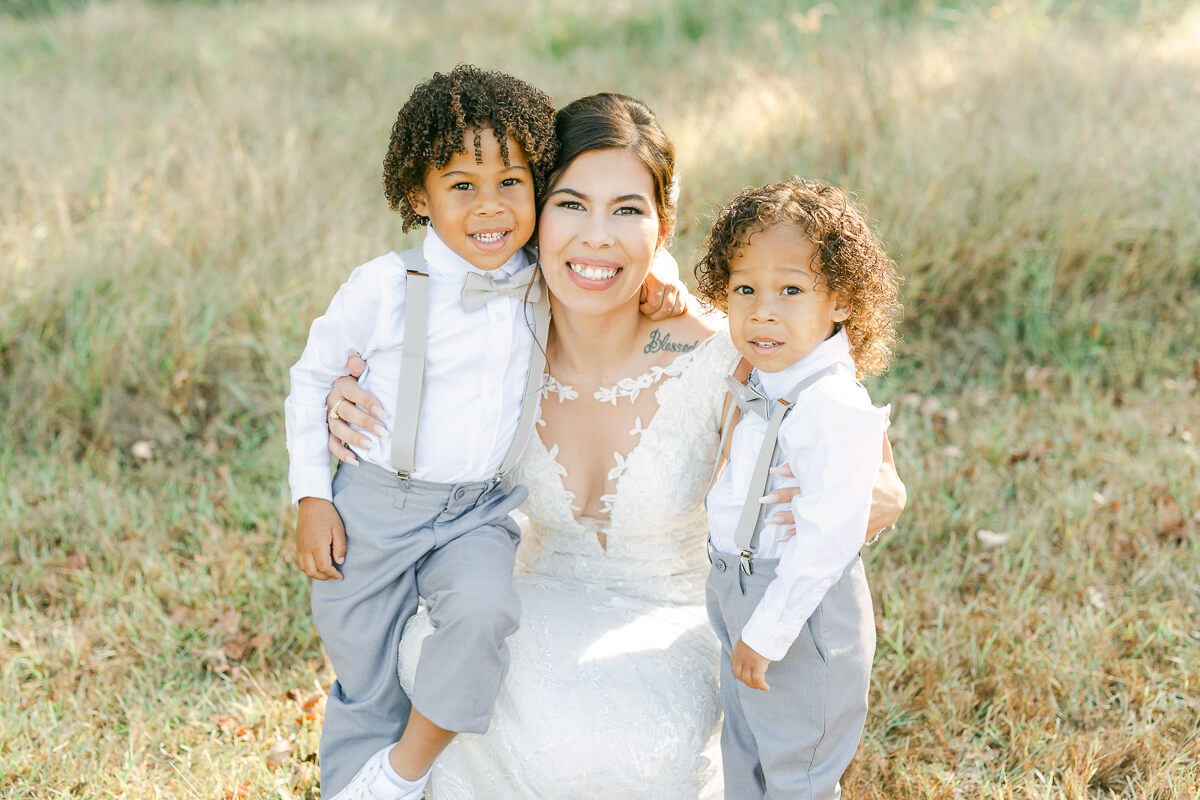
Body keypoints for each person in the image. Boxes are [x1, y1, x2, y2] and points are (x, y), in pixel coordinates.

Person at [324, 94, 907, 798]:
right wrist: (345, 397)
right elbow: (386, 364)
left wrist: (883, 492)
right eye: (571, 204)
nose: (597, 237)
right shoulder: (488, 336)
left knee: (620, 738)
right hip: (528, 599)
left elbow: (840, 420)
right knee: (439, 656)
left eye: (627, 210)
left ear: (663, 225)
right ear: (535, 214)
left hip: (668, 619)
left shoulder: (725, 350)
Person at [697, 177, 901, 799]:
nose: (763, 310)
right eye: (745, 289)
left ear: (839, 300)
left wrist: (767, 632)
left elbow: (828, 542)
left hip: (798, 608)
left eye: (791, 290)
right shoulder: (766, 377)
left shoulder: (833, 402)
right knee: (745, 748)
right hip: (736, 583)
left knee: (797, 767)